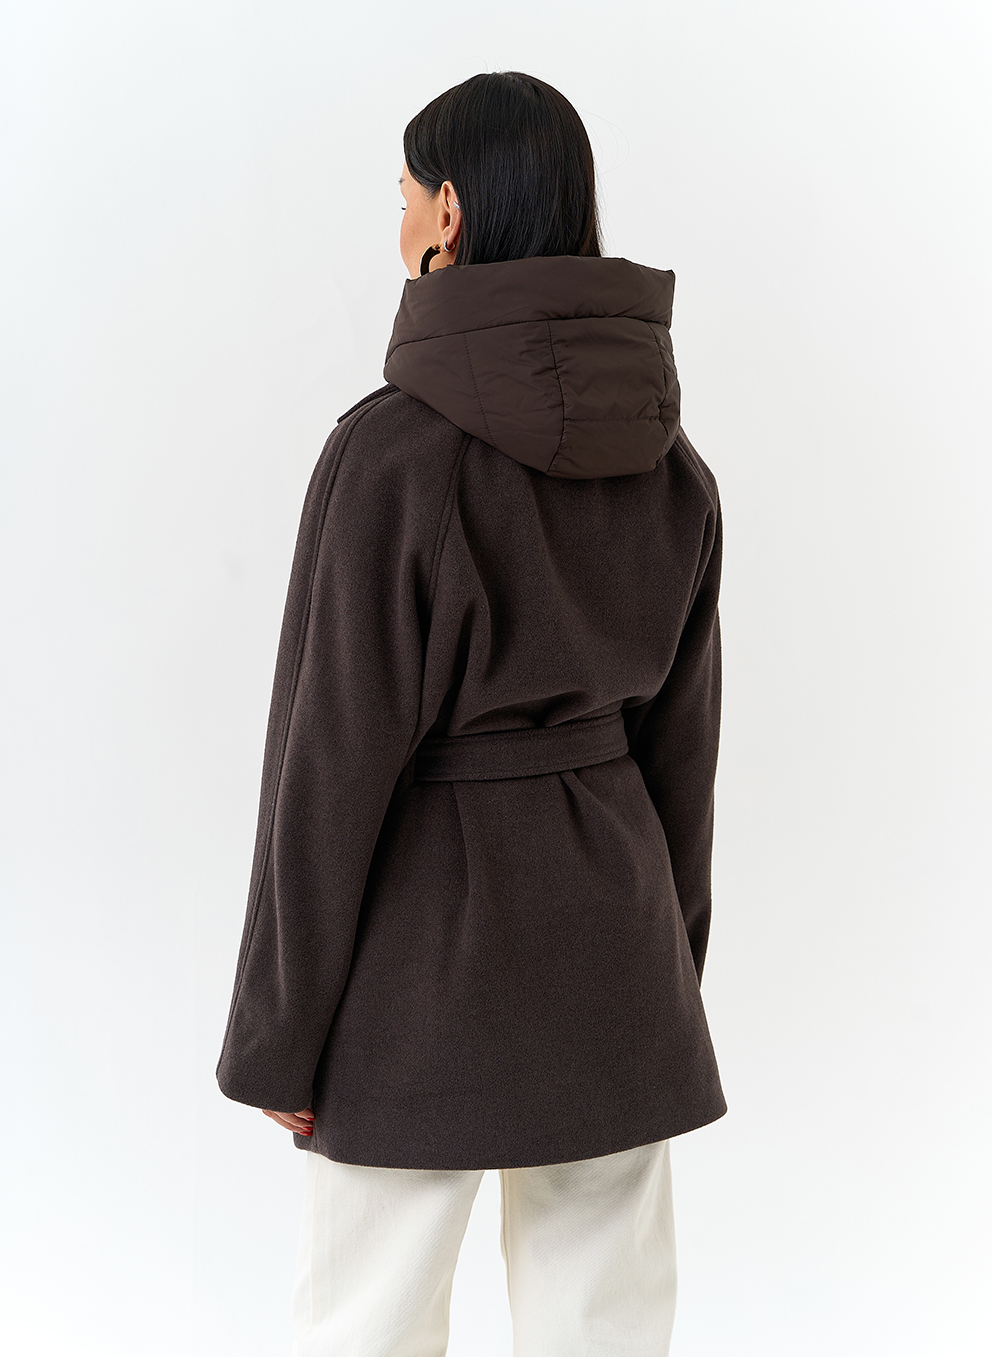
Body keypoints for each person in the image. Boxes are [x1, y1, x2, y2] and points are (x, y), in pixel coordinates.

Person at [216, 69, 727, 1356]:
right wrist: (668, 972)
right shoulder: (673, 465)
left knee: (367, 1322)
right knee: (606, 1327)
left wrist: (279, 1037)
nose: (397, 223)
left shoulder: (388, 455)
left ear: (447, 213)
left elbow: (326, 763)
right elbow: (684, 756)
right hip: (616, 959)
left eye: (400, 196)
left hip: (413, 975)